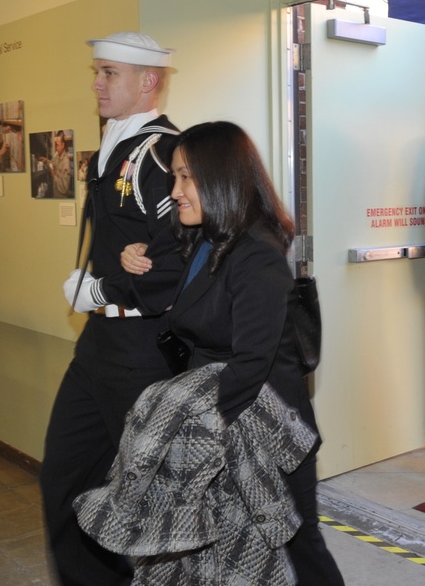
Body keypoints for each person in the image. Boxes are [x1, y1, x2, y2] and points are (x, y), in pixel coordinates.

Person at [119, 121, 345, 584]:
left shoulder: (256, 253)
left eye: (186, 177)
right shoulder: (207, 239)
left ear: (221, 180)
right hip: (225, 424)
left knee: (300, 550)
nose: (176, 190)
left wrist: (181, 427)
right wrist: (133, 252)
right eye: (174, 176)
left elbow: (250, 365)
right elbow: (170, 274)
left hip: (266, 432)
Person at [39, 31, 183, 586]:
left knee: (152, 500)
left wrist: (103, 290)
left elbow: (176, 258)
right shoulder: (111, 149)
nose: (97, 83)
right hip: (99, 345)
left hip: (142, 349)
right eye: (96, 72)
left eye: (110, 73)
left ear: (148, 81)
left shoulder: (165, 152)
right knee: (67, 479)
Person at [42, 130, 73, 198]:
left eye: (57, 145)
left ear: (63, 145)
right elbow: (52, 164)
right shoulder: (57, 156)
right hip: (55, 195)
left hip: (61, 198)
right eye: (55, 145)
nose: (56, 148)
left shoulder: (66, 162)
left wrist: (54, 176)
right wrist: (46, 160)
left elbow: (64, 188)